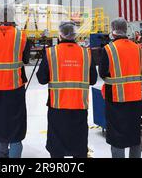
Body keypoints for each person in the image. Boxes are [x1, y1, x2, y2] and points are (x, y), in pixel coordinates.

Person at [37, 21, 97, 158]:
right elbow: (93, 80)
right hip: (79, 106)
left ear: (60, 35)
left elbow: (42, 79)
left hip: (58, 106)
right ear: (75, 35)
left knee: (57, 146)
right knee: (79, 143)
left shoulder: (51, 53)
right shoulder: (86, 54)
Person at [0, 6, 31, 158]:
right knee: (15, 127)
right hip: (14, 87)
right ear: (13, 18)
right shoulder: (21, 36)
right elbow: (25, 59)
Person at [99, 18, 142, 158]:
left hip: (116, 98)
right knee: (134, 134)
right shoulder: (137, 48)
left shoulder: (109, 49)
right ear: (125, 29)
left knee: (117, 135)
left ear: (113, 30)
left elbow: (103, 73)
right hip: (135, 97)